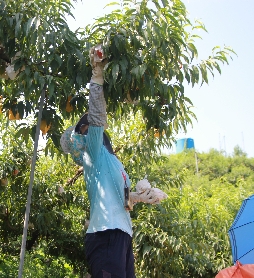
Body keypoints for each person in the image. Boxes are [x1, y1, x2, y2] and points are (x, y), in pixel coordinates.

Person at [60, 45, 166, 278]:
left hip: (121, 235)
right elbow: (97, 116)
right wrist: (97, 76)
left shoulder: (113, 162)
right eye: (85, 129)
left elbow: (124, 201)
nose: (91, 129)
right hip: (106, 234)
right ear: (81, 137)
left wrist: (142, 197)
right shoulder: (93, 151)